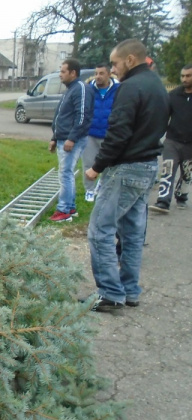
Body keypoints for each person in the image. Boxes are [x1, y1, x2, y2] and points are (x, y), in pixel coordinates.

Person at [84, 39, 169, 311]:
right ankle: (129, 289)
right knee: (132, 233)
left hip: (126, 168)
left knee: (100, 229)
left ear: (130, 60)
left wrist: (96, 166)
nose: (113, 69)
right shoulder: (157, 85)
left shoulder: (130, 88)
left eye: (116, 63)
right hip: (148, 166)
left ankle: (110, 293)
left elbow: (118, 133)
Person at [48, 58, 94, 222]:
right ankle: (70, 207)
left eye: (63, 71)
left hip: (72, 140)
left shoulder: (81, 89)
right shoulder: (70, 89)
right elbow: (62, 115)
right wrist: (55, 137)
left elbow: (82, 117)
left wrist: (72, 139)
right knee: (66, 174)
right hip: (63, 138)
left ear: (73, 73)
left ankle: (64, 210)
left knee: (65, 174)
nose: (60, 75)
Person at [148, 64, 192, 213]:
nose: (184, 79)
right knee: (168, 170)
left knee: (187, 174)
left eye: (188, 76)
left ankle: (181, 197)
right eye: (183, 76)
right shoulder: (173, 95)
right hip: (173, 140)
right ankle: (163, 202)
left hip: (191, 144)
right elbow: (164, 116)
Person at [82, 64, 119, 202]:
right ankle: (89, 190)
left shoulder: (118, 89)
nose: (98, 76)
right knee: (88, 163)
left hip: (108, 134)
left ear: (109, 74)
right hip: (90, 134)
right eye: (96, 73)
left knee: (109, 164)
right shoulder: (89, 89)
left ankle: (103, 187)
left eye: (101, 73)